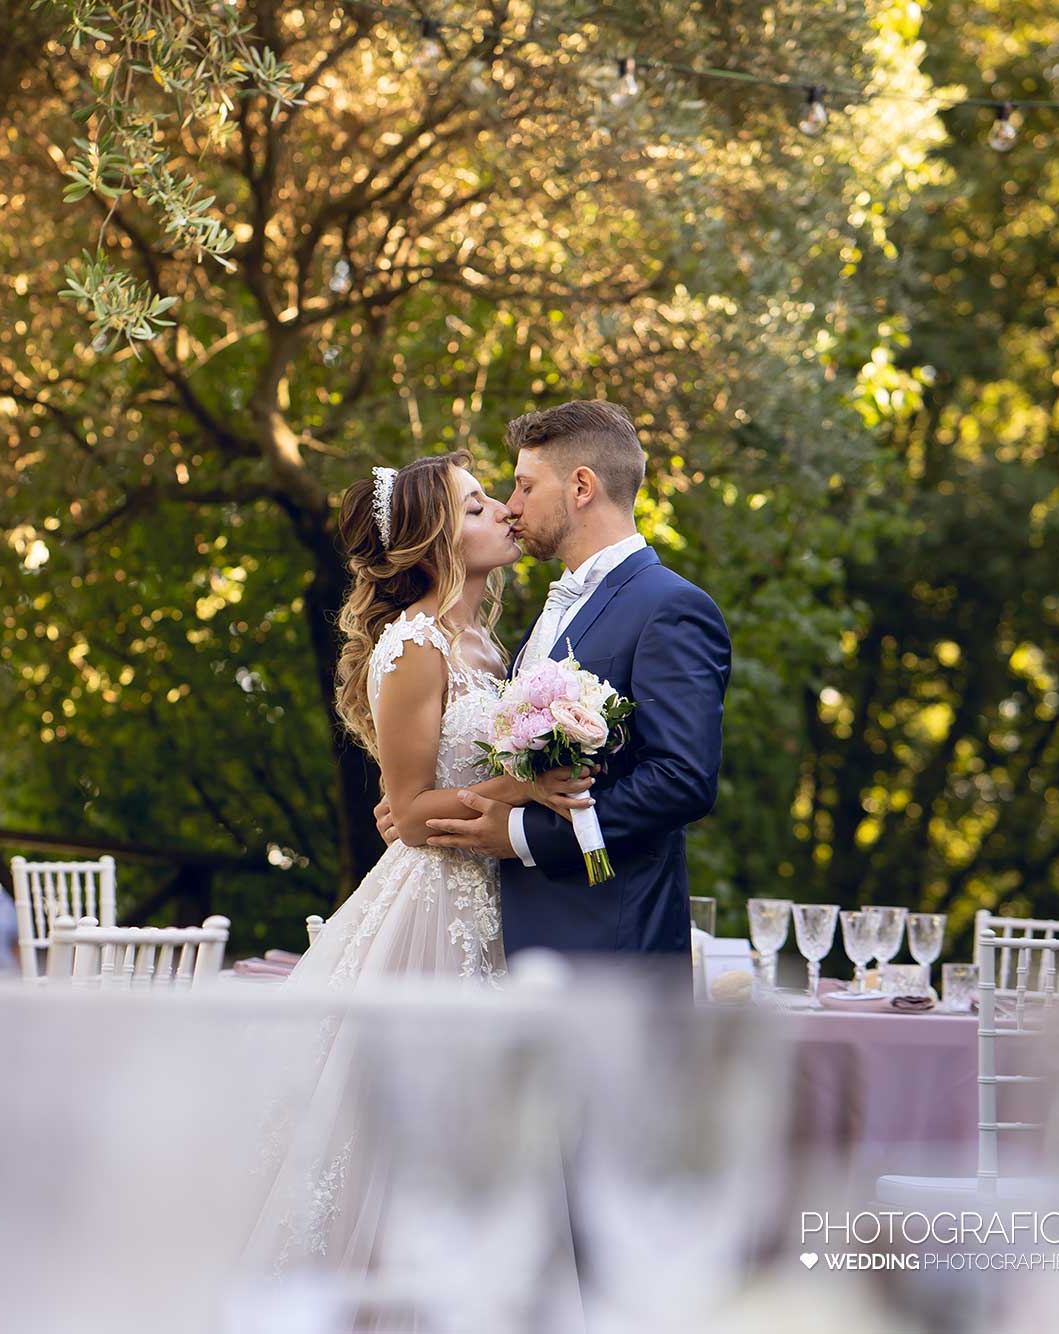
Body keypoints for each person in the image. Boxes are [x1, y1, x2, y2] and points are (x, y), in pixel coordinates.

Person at [242, 449, 590, 1282]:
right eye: (474, 507)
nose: (501, 513)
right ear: (434, 537)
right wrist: (520, 789)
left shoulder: (488, 642)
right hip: (432, 910)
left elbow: (420, 803)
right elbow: (407, 812)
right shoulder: (412, 646)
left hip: (499, 895)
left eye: (490, 500)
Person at [396, 400, 731, 958]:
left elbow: (681, 779)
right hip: (521, 944)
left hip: (609, 946)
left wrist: (525, 836)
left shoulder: (670, 608)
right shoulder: (543, 619)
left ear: (581, 487)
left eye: (526, 486)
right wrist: (432, 802)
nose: (510, 505)